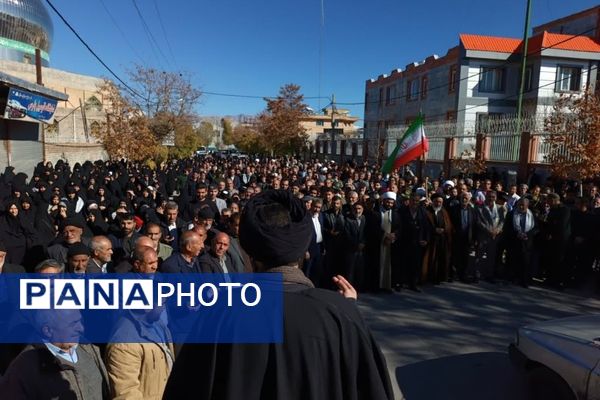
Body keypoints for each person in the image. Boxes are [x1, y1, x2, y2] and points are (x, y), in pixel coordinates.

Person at [163, 190, 394, 400]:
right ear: (304, 251)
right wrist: (346, 315)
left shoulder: (218, 315)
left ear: (248, 251)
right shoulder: (341, 317)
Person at [0, 309, 110, 399]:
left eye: (80, 321)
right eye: (73, 324)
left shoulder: (88, 348)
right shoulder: (23, 370)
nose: (81, 328)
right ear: (47, 331)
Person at [398, 193, 431, 292]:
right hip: (405, 241)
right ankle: (400, 282)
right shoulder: (402, 211)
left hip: (418, 242)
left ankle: (413, 283)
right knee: (403, 263)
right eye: (413, 200)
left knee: (416, 264)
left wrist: (425, 239)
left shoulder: (423, 212)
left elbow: (427, 227)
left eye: (416, 201)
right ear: (409, 201)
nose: (414, 203)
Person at [505, 198, 538, 287]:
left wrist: (528, 235)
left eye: (523, 205)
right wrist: (517, 234)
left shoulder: (532, 215)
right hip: (514, 241)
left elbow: (536, 228)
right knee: (513, 260)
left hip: (527, 242)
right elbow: (507, 228)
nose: (521, 206)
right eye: (519, 204)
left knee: (525, 262)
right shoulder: (511, 214)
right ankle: (511, 278)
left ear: (527, 206)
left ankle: (524, 280)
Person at [423, 193, 453, 284]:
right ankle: (429, 277)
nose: (438, 204)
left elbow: (449, 225)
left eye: (440, 202)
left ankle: (439, 277)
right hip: (431, 239)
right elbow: (424, 225)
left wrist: (444, 229)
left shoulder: (444, 212)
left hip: (442, 239)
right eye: (436, 201)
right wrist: (434, 230)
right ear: (433, 201)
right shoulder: (427, 211)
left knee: (441, 259)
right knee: (430, 259)